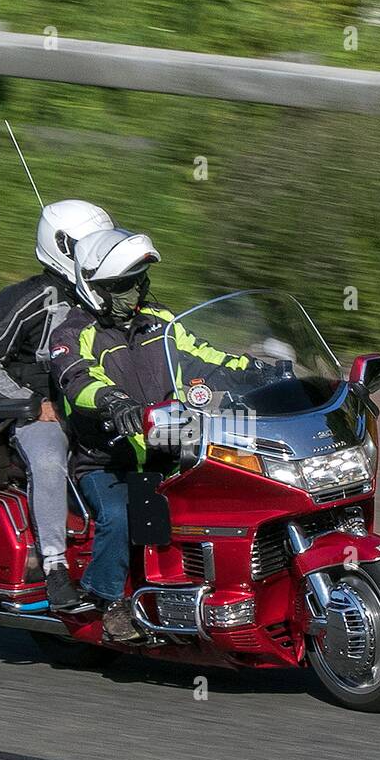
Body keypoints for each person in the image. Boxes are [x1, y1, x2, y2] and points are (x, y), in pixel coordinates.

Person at [49, 228, 263, 640]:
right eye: (126, 285)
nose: (137, 291)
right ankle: (107, 600)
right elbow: (76, 377)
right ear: (97, 289)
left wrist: (253, 368)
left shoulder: (161, 320)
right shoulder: (73, 333)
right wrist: (113, 400)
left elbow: (205, 354)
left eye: (140, 281)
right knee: (119, 515)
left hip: (171, 447)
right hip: (108, 461)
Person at [0, 200, 114, 611]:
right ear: (64, 246)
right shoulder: (23, 298)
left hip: (92, 403)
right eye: (91, 246)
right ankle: (55, 569)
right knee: (50, 459)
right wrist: (34, 404)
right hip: (37, 411)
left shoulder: (104, 296)